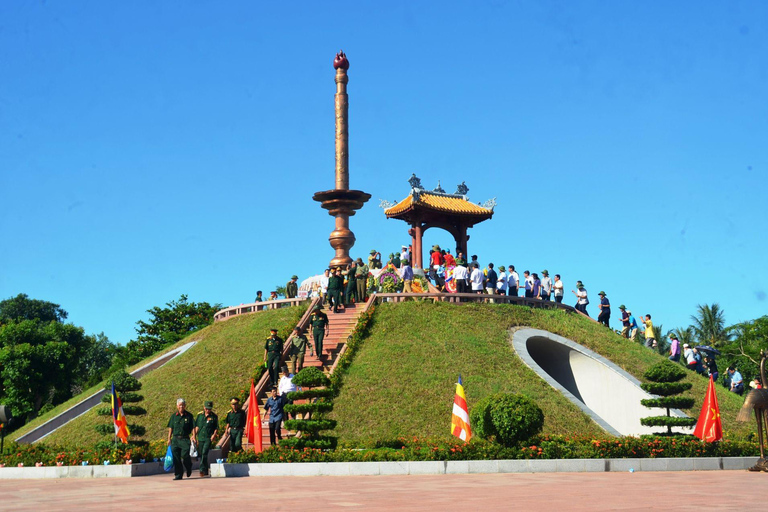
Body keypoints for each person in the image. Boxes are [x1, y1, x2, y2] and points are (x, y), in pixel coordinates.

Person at [166, 398, 195, 480]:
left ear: (185, 406)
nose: (181, 407)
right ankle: (178, 474)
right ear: (177, 406)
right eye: (179, 405)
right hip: (175, 439)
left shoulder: (189, 416)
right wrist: (169, 438)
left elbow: (193, 427)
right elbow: (171, 428)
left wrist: (194, 436)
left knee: (185, 456)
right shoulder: (173, 416)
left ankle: (188, 466)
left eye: (182, 405)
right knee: (176, 458)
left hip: (185, 439)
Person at [194, 401, 218, 478]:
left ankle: (201, 470)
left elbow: (216, 428)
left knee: (204, 453)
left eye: (209, 409)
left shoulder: (214, 416)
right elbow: (197, 426)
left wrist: (213, 435)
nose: (208, 410)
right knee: (202, 454)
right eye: (207, 408)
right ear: (204, 408)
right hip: (200, 437)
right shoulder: (200, 416)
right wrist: (194, 436)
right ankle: (206, 470)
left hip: (208, 438)